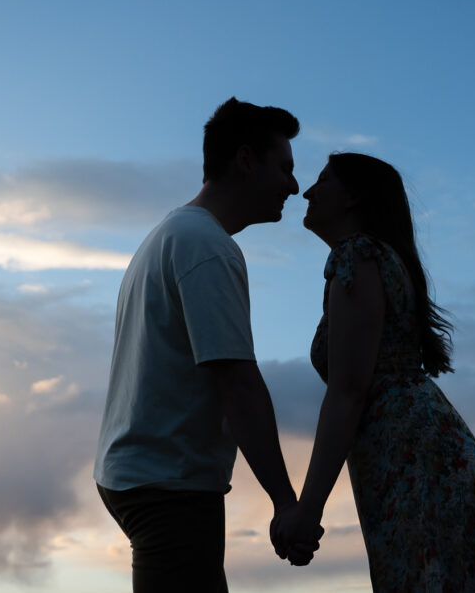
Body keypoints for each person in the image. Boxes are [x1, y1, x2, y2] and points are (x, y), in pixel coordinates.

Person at [94, 97, 322, 592]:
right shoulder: (206, 246)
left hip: (143, 478)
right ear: (244, 160)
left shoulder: (170, 235)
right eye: (284, 168)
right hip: (168, 487)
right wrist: (285, 501)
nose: (294, 185)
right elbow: (237, 382)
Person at [271, 153, 475, 590]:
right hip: (421, 454)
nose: (308, 191)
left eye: (323, 181)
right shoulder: (374, 258)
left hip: (416, 462)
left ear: (353, 197)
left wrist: (308, 510)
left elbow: (348, 392)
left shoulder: (358, 254)